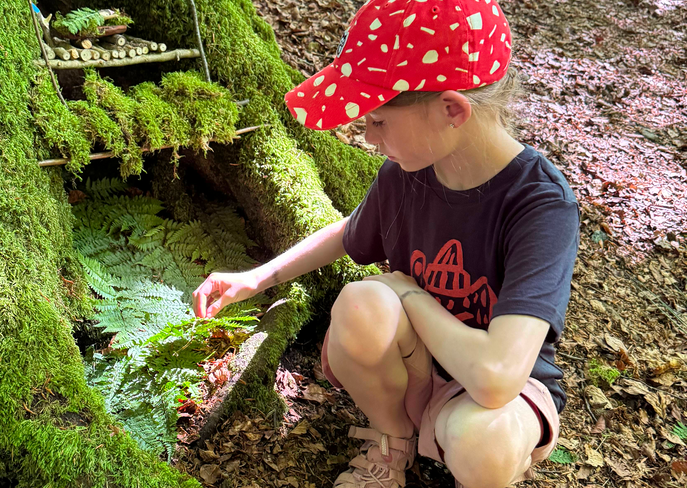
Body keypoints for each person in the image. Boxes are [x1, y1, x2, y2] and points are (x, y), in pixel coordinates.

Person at [192, 0, 579, 486]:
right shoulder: (407, 174)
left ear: (452, 109)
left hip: (497, 397)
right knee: (361, 301)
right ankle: (393, 440)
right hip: (414, 369)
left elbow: (497, 378)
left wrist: (410, 294)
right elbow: (348, 231)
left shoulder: (539, 204)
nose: (369, 139)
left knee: (486, 443)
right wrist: (257, 277)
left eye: (379, 121)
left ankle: (472, 461)